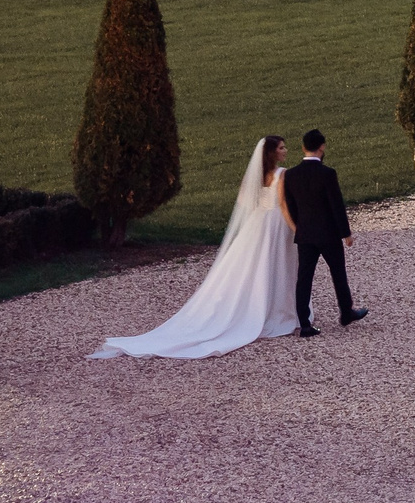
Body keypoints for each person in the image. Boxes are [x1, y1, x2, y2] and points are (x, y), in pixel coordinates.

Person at [90, 135, 297, 359]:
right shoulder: (281, 174)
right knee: (275, 264)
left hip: (257, 223)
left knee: (255, 266)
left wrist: (260, 208)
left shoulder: (256, 175)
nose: (285, 150)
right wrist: (295, 227)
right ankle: (274, 310)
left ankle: (259, 306)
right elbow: (283, 204)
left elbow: (243, 200)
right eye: (281, 148)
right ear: (272, 153)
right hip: (275, 224)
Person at [280, 128, 367, 337]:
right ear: (322, 147)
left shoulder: (291, 174)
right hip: (328, 234)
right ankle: (346, 312)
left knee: (304, 278)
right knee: (338, 273)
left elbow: (291, 206)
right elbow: (336, 205)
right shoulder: (328, 173)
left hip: (305, 234)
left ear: (303, 147)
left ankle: (304, 323)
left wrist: (300, 227)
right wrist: (346, 232)